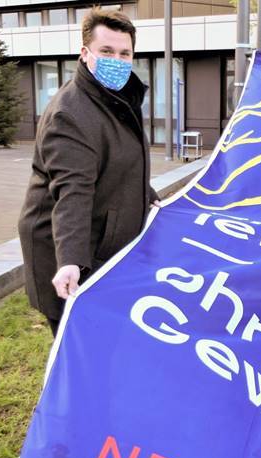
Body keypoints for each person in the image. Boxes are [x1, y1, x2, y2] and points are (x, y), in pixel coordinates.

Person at [18, 8, 157, 336]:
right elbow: (73, 191)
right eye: (106, 52)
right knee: (77, 350)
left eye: (125, 53)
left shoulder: (117, 99)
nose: (117, 60)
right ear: (85, 54)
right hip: (66, 249)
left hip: (100, 239)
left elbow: (121, 163)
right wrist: (70, 262)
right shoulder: (71, 114)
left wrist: (148, 198)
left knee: (104, 340)